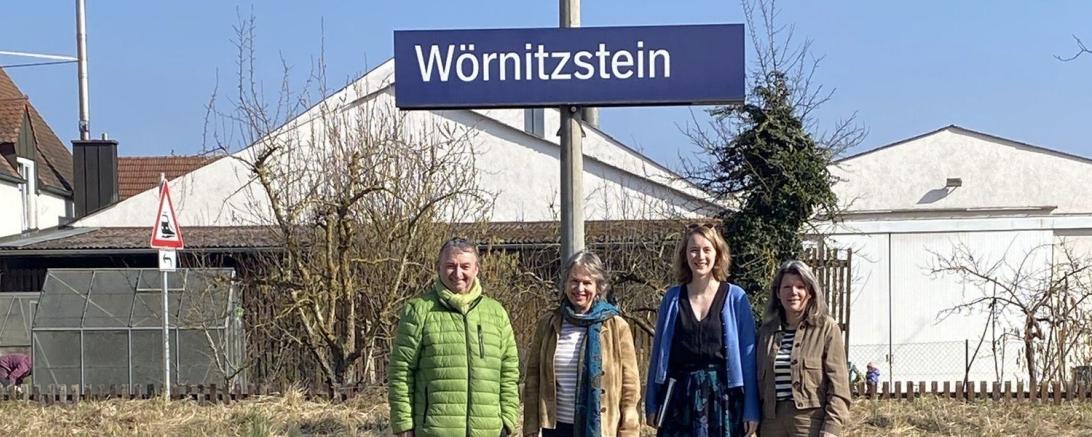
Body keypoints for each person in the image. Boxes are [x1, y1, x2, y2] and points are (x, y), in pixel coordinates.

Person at [387, 238, 520, 437]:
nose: (458, 273)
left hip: (489, 431)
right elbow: (401, 371)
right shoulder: (419, 310)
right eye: (450, 266)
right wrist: (404, 424)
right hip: (434, 431)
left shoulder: (496, 312)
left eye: (465, 266)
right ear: (438, 267)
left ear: (476, 269)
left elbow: (509, 371)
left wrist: (508, 420)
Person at [645, 224, 760, 436]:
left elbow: (748, 358)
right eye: (693, 250)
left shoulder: (735, 297)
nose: (700, 256)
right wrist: (651, 403)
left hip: (723, 402)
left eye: (707, 249)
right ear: (685, 255)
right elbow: (659, 355)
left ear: (718, 254)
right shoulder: (672, 298)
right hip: (678, 401)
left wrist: (751, 410)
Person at [523, 251, 641, 437]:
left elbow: (630, 388)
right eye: (574, 281)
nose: (580, 288)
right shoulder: (549, 324)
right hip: (556, 429)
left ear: (598, 287)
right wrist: (530, 427)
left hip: (600, 428)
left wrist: (628, 430)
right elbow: (533, 380)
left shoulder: (616, 327)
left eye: (587, 282)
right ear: (565, 284)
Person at [757, 260, 851, 437]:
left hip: (810, 423)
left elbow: (839, 386)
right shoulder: (765, 332)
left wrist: (832, 428)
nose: (793, 292)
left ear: (810, 293)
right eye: (787, 287)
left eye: (800, 287)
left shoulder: (827, 328)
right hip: (771, 423)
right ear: (778, 292)